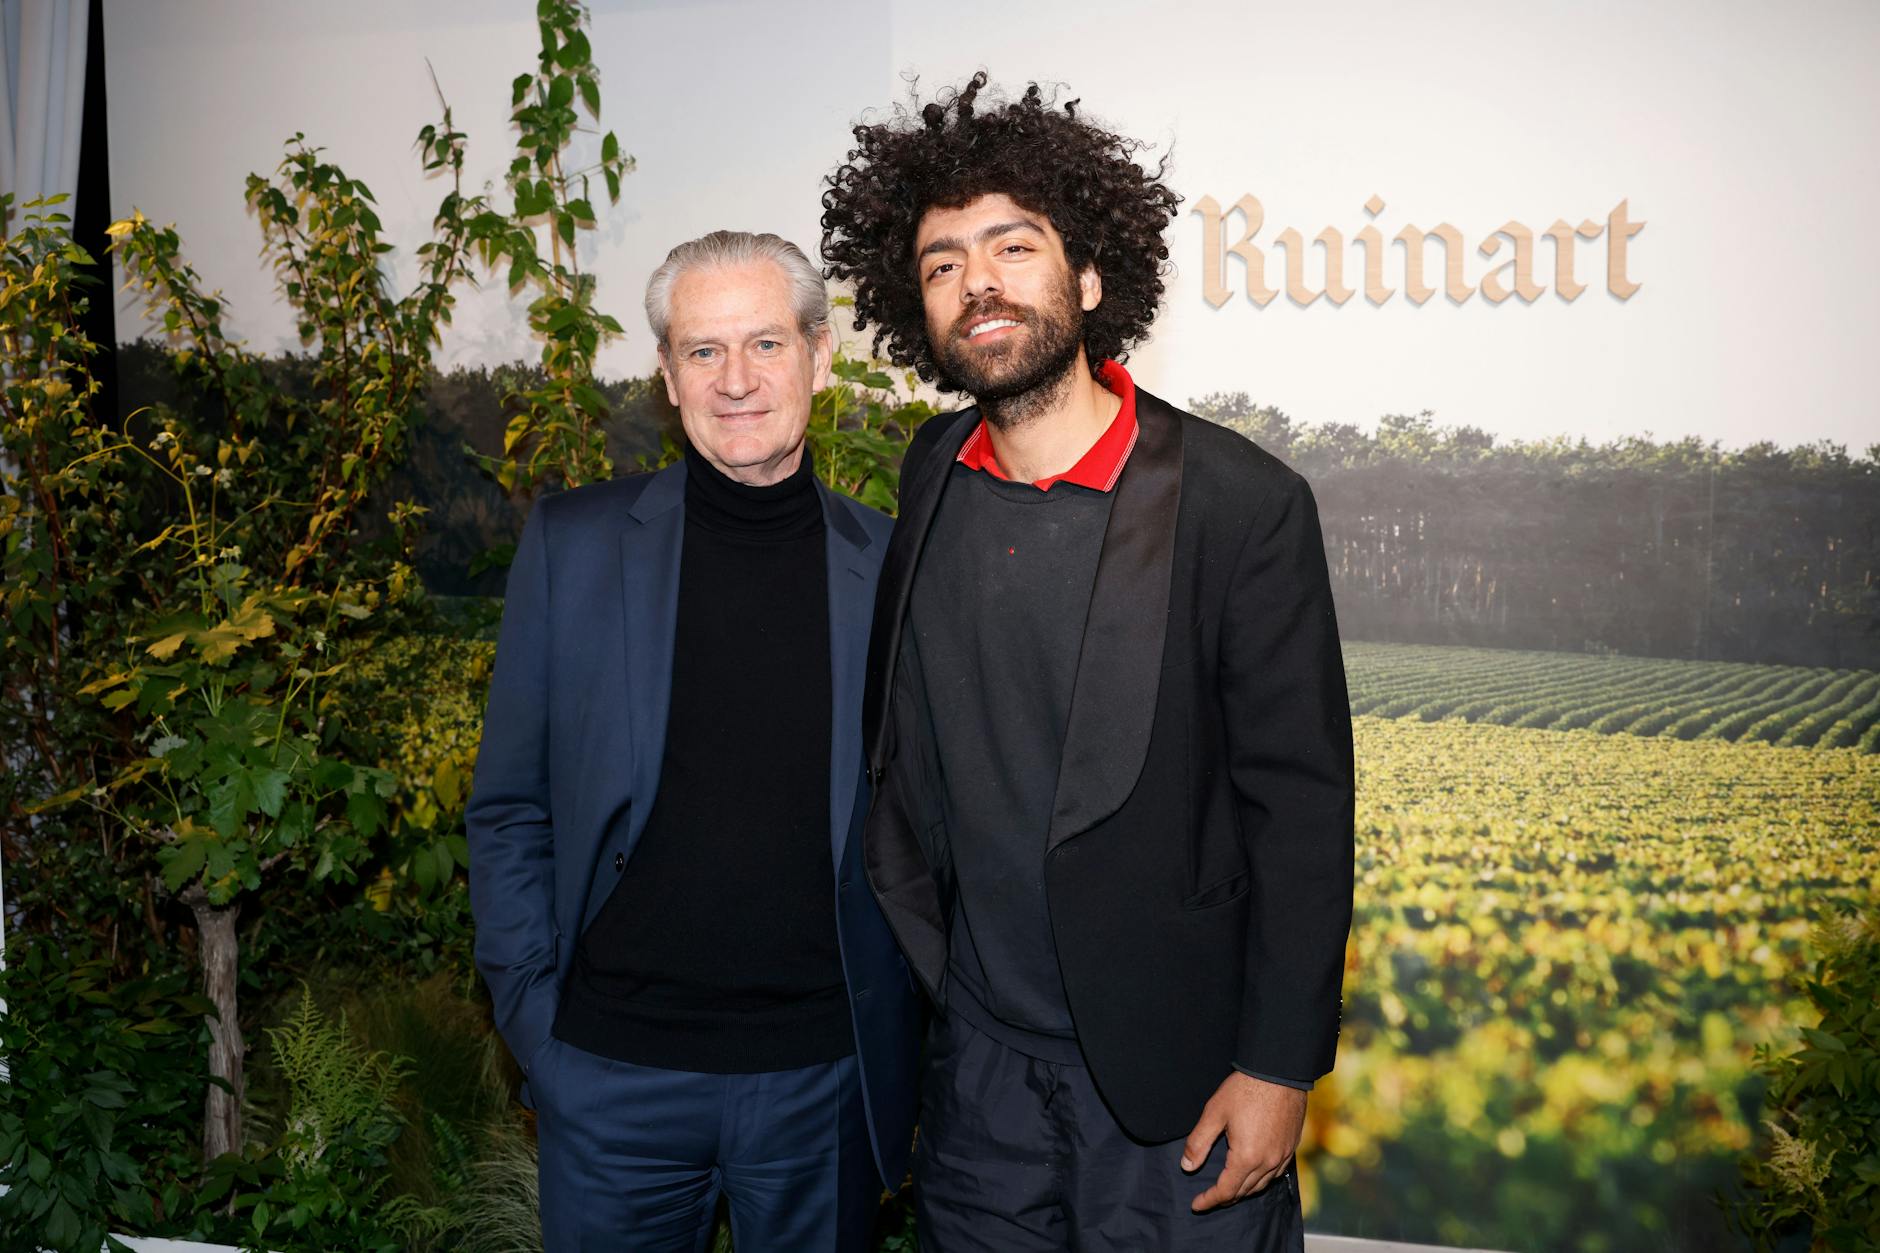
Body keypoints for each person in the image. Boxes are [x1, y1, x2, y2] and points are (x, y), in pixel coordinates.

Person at [821, 74, 1355, 1250]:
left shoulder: (1237, 503)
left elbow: (1301, 809)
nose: (980, 281)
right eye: (943, 261)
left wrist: (1276, 1066)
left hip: (1178, 1080)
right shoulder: (930, 472)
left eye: (1014, 245)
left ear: (1091, 277)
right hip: (978, 1076)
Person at [465, 230, 919, 1252]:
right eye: (702, 351)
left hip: (821, 1082)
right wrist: (537, 1025)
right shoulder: (574, 544)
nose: (737, 380)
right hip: (611, 1077)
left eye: (763, 343)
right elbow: (508, 806)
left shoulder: (892, 563)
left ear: (819, 353)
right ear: (666, 375)